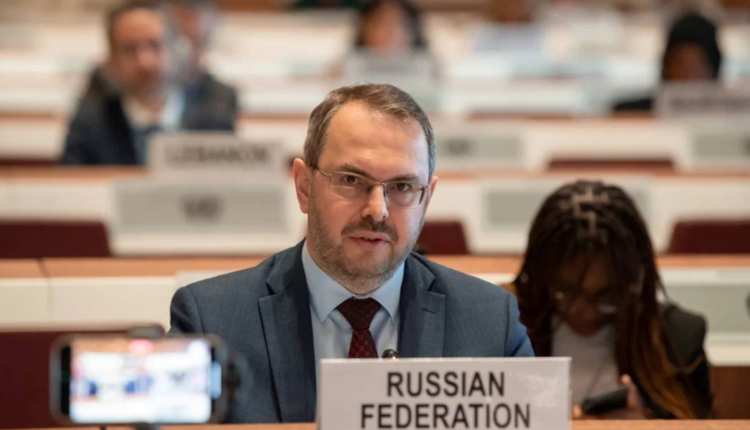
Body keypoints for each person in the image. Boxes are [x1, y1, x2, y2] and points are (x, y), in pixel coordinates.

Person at [169, 83, 533, 423]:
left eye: (402, 186)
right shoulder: (211, 322)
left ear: (427, 198)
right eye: (351, 180)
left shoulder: (490, 323)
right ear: (304, 187)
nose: (377, 210)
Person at [511, 180, 713, 419]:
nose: (588, 313)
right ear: (540, 278)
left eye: (608, 296)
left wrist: (643, 426)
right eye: (568, 293)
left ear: (637, 282)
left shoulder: (678, 341)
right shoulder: (500, 331)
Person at [60, 0, 235, 166]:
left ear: (176, 49)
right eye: (130, 49)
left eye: (155, 45)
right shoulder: (89, 124)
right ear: (111, 58)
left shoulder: (214, 119)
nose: (145, 61)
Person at [613, 12, 722, 112]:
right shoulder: (631, 114)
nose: (688, 74)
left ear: (713, 69)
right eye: (680, 64)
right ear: (666, 66)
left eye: (696, 65)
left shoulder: (723, 114)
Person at [353, 0, 427, 54]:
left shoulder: (426, 67)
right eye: (380, 23)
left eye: (397, 24)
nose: (388, 32)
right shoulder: (350, 65)